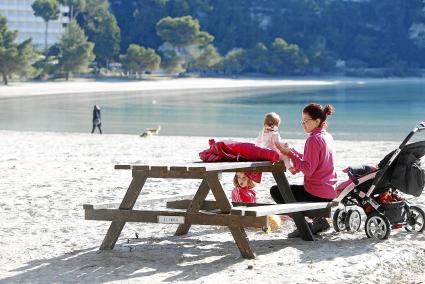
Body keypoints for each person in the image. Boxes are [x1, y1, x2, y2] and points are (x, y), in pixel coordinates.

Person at [270, 103, 337, 237]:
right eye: (302, 121)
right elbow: (312, 162)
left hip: (316, 194)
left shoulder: (313, 140)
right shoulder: (327, 136)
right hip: (329, 191)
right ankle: (319, 221)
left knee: (277, 191)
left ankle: (303, 225)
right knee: (288, 190)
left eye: (306, 121)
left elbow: (308, 170)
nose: (303, 124)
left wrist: (289, 154)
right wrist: (292, 152)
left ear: (317, 121)